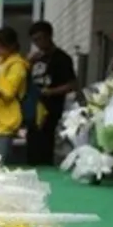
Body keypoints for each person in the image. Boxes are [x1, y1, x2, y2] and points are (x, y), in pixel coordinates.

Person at [28, 21, 78, 165]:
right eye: (34, 40)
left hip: (51, 111)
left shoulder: (62, 58)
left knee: (45, 149)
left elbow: (72, 84)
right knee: (32, 149)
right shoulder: (35, 58)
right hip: (34, 111)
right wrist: (28, 63)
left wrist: (51, 91)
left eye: (40, 38)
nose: (38, 43)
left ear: (49, 36)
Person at [0, 27, 29, 162]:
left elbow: (8, 94)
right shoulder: (1, 61)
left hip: (7, 119)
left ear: (11, 46)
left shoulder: (17, 65)